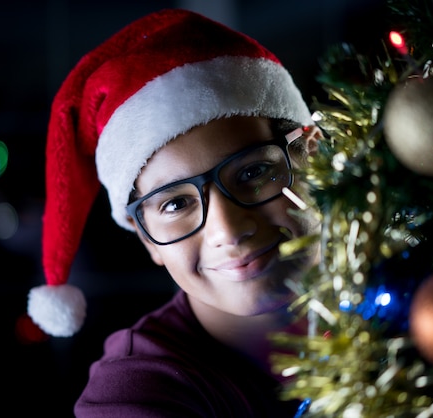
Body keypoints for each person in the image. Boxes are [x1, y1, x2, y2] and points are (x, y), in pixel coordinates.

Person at [26, 8, 323, 417]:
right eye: (176, 203)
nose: (228, 229)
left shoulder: (419, 280)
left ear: (313, 154)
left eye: (253, 172)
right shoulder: (136, 391)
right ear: (145, 235)